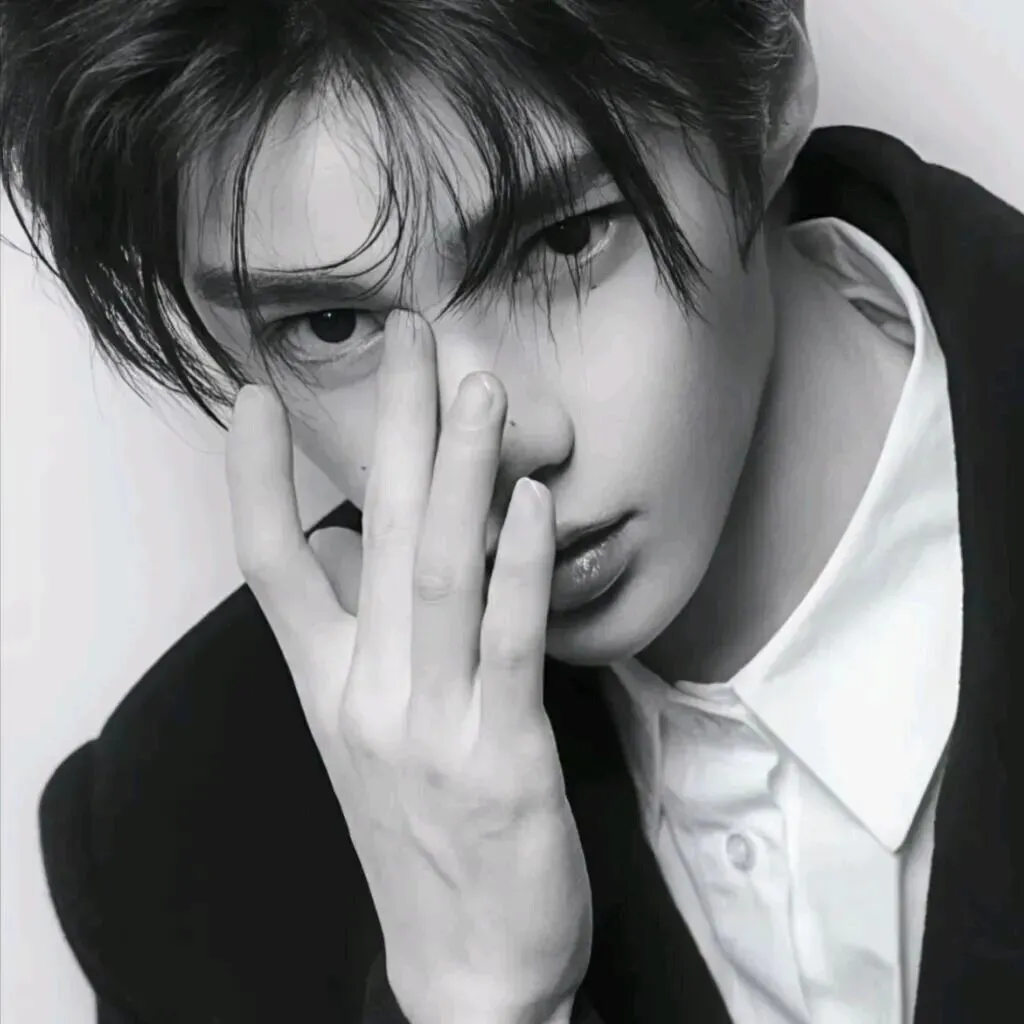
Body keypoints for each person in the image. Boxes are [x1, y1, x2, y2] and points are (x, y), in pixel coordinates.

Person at [2, 0, 1021, 1021]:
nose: (495, 439)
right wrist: (475, 1003)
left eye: (565, 240)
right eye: (332, 324)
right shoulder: (182, 842)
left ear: (768, 94)